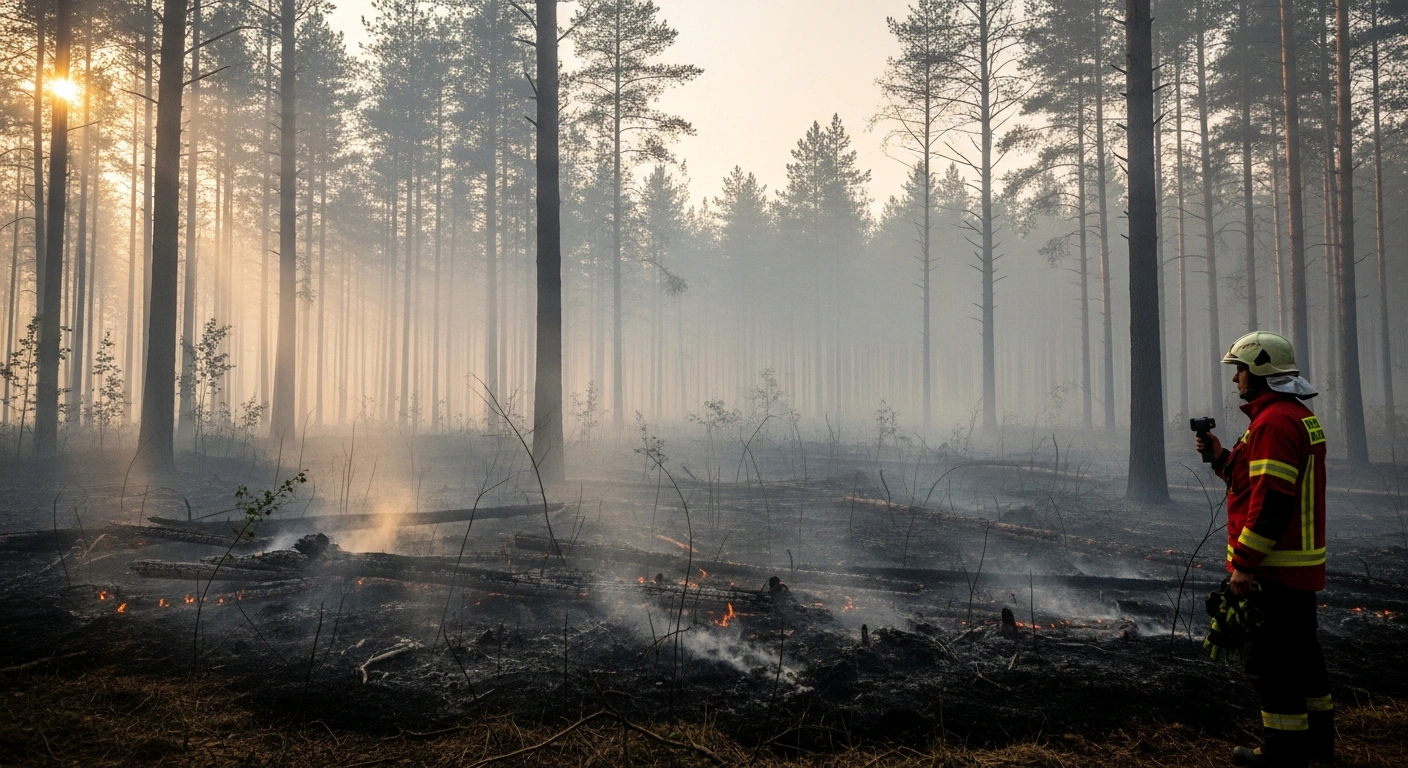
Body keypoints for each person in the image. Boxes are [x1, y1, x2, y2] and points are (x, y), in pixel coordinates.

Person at [1194, 331, 1333, 768]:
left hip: (1273, 570)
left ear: (1259, 372)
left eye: (1240, 369)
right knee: (1304, 662)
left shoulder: (1273, 424)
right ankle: (1317, 749)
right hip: (1297, 569)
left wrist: (1244, 566)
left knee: (1270, 664)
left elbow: (1271, 501)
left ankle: (1283, 754)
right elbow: (1254, 485)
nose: (1235, 378)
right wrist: (1221, 458)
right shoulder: (1293, 417)